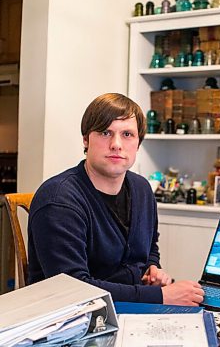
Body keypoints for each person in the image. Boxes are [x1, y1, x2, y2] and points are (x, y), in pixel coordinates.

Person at [28, 93, 204, 306]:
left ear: (138, 143)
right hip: (73, 321)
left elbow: (149, 248)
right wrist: (161, 297)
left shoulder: (142, 189)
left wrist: (152, 268)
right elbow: (72, 288)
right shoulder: (59, 199)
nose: (116, 144)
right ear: (86, 139)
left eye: (128, 134)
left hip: (132, 309)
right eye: (105, 132)